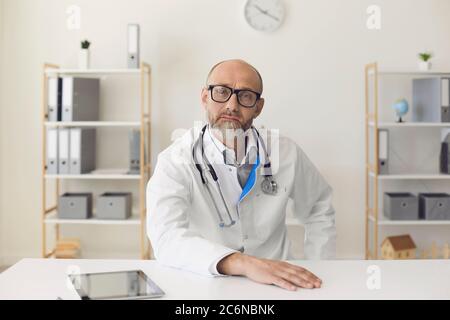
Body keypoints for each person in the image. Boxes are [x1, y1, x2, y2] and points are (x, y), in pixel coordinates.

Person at [147, 59, 336, 291]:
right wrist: (242, 263)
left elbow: (319, 207)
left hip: (282, 284)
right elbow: (166, 237)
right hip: (207, 281)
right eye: (222, 92)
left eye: (245, 96)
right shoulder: (174, 160)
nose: (232, 105)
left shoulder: (286, 152)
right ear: (205, 97)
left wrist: (319, 265)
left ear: (259, 106)